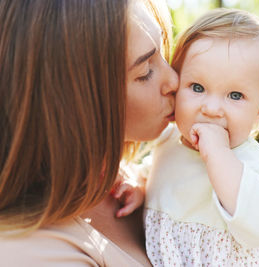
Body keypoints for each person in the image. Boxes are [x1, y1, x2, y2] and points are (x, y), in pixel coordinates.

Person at [0, 0, 178, 266]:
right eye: (145, 72)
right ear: (71, 101)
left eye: (162, 51)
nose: (174, 80)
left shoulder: (132, 180)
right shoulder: (30, 251)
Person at [117, 8, 259, 266]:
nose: (212, 109)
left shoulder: (251, 164)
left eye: (235, 95)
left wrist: (219, 155)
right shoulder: (168, 140)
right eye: (198, 88)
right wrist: (142, 189)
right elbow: (161, 175)